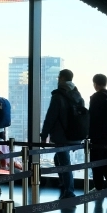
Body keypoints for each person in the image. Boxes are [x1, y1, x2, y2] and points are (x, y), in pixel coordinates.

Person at [41, 69, 86, 199]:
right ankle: (64, 184)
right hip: (75, 134)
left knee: (65, 163)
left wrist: (44, 135)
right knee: (58, 159)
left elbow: (51, 117)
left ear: (61, 78)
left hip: (61, 136)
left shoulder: (58, 96)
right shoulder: (78, 95)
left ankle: (69, 191)